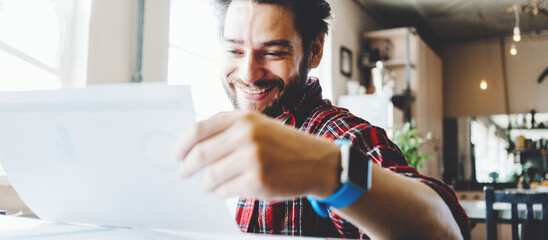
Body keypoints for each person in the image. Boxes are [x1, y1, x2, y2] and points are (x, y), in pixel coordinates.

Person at [176, 0, 470, 239]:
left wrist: (327, 169)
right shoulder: (206, 141)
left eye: (273, 52)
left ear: (314, 50)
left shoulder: (347, 137)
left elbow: (446, 231)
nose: (248, 73)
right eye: (234, 50)